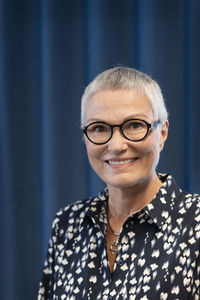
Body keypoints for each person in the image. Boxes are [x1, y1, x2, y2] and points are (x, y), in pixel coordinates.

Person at [38, 67, 200, 300]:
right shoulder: (67, 225)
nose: (116, 145)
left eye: (134, 125)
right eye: (99, 128)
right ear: (85, 137)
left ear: (162, 132)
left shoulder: (195, 224)